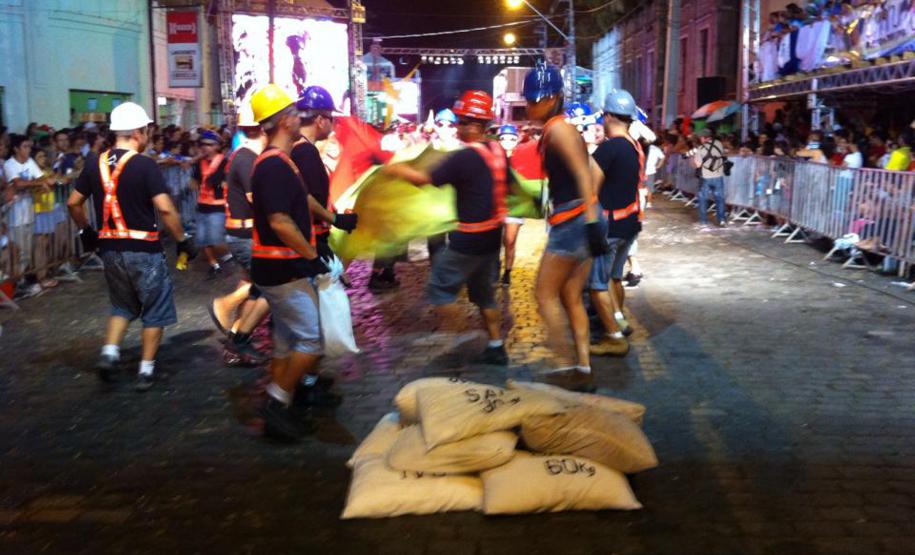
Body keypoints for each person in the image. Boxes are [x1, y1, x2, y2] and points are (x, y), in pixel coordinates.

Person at [66, 102, 196, 390]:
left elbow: (72, 202)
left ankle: (110, 353)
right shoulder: (144, 164)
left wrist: (86, 230)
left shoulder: (93, 163)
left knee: (122, 305)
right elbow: (165, 209)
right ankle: (146, 371)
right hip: (144, 250)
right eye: (147, 130)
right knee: (155, 308)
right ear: (139, 132)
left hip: (110, 250)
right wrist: (182, 240)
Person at [384, 90, 509, 366]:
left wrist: (391, 168)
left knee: (440, 290)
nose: (457, 128)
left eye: (460, 122)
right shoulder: (497, 151)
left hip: (468, 239)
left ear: (470, 124)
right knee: (484, 294)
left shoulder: (463, 157)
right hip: (492, 238)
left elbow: (421, 178)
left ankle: (462, 342)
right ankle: (496, 345)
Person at [248, 84, 332, 441]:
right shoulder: (273, 166)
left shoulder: (283, 161)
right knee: (312, 340)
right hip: (283, 270)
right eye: (296, 112)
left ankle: (280, 410)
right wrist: (312, 257)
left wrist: (333, 218)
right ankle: (276, 400)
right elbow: (281, 221)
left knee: (285, 342)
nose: (302, 117)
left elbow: (303, 200)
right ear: (283, 119)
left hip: (280, 269)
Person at [523, 63, 608, 388]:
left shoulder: (559, 129)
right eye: (529, 99)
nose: (532, 105)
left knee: (544, 294)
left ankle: (565, 365)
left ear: (556, 97)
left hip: (573, 222)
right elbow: (595, 171)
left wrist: (589, 219)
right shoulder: (559, 130)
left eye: (539, 99)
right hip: (582, 219)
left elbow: (586, 174)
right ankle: (583, 368)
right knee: (571, 295)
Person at [209, 106, 272, 363]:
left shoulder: (244, 155)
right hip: (245, 235)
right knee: (271, 285)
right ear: (263, 129)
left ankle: (236, 338)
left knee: (255, 288)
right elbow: (257, 200)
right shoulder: (246, 158)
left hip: (246, 233)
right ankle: (225, 305)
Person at [588, 90, 644, 358]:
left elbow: (590, 189)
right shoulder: (634, 146)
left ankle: (613, 337)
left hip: (609, 228)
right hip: (629, 224)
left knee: (596, 284)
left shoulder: (608, 148)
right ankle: (619, 320)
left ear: (608, 115)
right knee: (615, 277)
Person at [291, 85, 359, 261]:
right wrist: (337, 219)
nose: (333, 124)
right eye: (331, 118)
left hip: (307, 238)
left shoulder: (297, 148)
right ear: (320, 120)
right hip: (312, 241)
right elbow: (307, 199)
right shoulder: (306, 152)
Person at [3, 134, 48, 295]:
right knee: (17, 251)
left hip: (28, 211)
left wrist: (35, 184)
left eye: (29, 146)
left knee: (27, 251)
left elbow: (42, 177)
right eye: (25, 147)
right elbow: (18, 183)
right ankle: (14, 283)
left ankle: (20, 283)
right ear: (16, 149)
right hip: (15, 215)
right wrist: (37, 184)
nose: (28, 150)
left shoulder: (30, 162)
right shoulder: (9, 164)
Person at [190, 129, 231, 278]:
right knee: (202, 239)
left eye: (209, 144)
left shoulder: (225, 162)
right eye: (203, 144)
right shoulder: (199, 163)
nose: (205, 147)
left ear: (217, 146)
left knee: (215, 237)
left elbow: (228, 182)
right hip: (202, 206)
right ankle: (215, 264)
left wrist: (222, 183)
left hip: (218, 206)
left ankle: (228, 254)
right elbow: (192, 184)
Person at [498, 123, 523, 286]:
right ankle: (494, 268)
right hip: (495, 204)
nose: (507, 141)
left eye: (511, 138)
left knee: (510, 240)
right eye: (503, 138)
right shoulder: (492, 156)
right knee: (492, 240)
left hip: (514, 206)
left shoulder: (522, 158)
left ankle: (507, 270)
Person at [692, 128, 728, 227]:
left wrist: (693, 159)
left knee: (703, 198)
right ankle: (722, 219)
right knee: (720, 198)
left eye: (700, 137)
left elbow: (698, 165)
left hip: (706, 177)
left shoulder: (701, 148)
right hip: (718, 176)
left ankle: (703, 220)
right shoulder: (719, 144)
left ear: (703, 138)